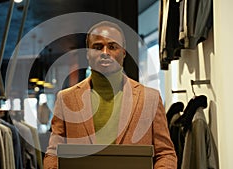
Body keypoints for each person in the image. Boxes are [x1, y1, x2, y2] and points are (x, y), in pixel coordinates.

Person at [43, 21, 177, 169]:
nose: (105, 52)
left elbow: (165, 153)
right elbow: (53, 153)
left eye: (112, 47)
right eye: (97, 47)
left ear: (124, 52)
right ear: (88, 53)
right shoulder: (66, 99)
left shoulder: (150, 98)